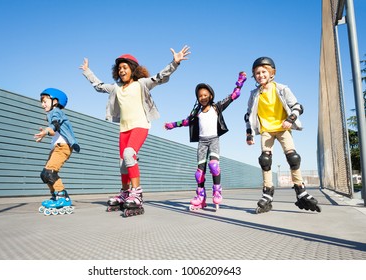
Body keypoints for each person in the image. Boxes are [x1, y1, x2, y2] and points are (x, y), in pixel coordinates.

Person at [80, 46, 191, 217]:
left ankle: (137, 193)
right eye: (119, 68)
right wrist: (87, 71)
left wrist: (174, 63)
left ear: (133, 69)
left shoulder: (141, 84)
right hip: (124, 129)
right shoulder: (116, 88)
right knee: (122, 163)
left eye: (125, 67)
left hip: (140, 125)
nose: (122, 70)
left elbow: (161, 77)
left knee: (129, 154)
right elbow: (99, 86)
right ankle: (125, 193)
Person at [244, 57, 321, 214]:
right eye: (257, 73)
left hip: (282, 128)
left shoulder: (281, 88)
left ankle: (300, 190)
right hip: (266, 130)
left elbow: (297, 106)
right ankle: (267, 193)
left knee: (293, 157)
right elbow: (248, 115)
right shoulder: (253, 94)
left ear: (272, 73)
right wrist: (249, 134)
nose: (260, 75)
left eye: (264, 71)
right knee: (265, 160)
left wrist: (290, 119)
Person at [164, 71, 247, 211]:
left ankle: (217, 191)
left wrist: (240, 81)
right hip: (202, 142)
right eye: (200, 95)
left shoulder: (217, 107)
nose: (202, 97)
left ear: (211, 96)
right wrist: (172, 125)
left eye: (205, 95)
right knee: (199, 173)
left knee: (214, 166)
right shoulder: (197, 112)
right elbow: (186, 122)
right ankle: (201, 197)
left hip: (213, 140)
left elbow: (234, 96)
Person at [35, 88, 80, 216]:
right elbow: (55, 130)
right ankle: (55, 196)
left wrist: (46, 131)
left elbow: (54, 124)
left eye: (44, 101)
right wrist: (45, 133)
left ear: (55, 101)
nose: (42, 104)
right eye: (41, 102)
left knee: (50, 172)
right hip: (56, 147)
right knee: (45, 174)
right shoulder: (52, 113)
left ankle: (62, 197)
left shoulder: (56, 112)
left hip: (63, 147)